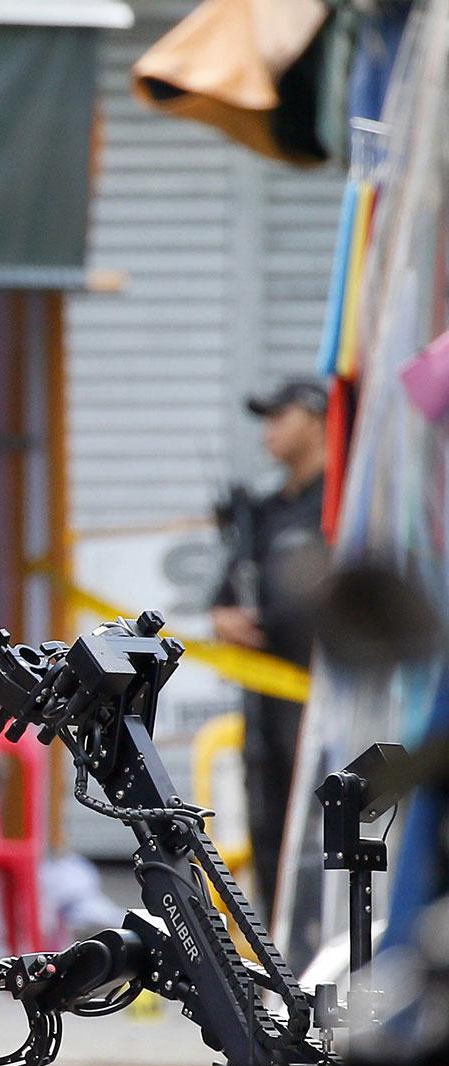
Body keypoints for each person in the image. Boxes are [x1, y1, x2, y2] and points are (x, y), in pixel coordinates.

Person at [211, 377, 330, 918]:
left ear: (315, 418)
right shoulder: (261, 511)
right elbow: (227, 594)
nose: (268, 432)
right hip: (263, 705)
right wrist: (226, 617)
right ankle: (276, 963)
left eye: (279, 417)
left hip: (325, 699)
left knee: (326, 834)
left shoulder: (341, 501)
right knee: (268, 830)